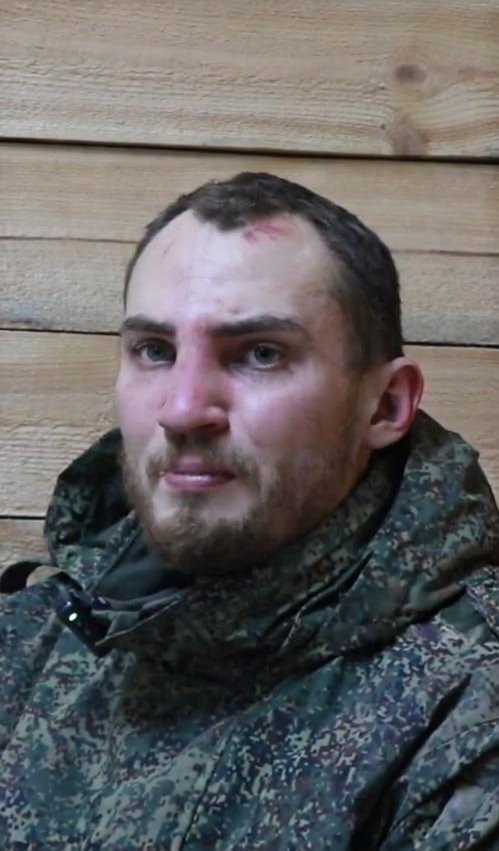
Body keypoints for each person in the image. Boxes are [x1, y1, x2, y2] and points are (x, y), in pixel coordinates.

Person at [2, 172, 499, 850]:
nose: (182, 410)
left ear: (384, 406)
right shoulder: (30, 640)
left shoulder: (465, 704)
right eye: (154, 351)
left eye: (259, 354)